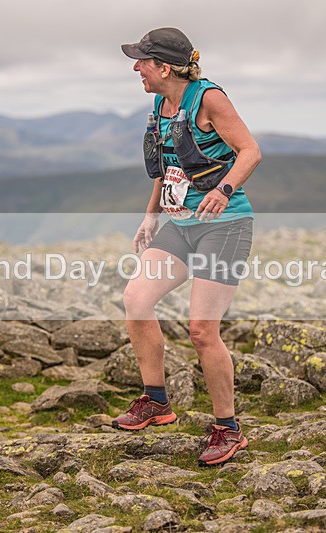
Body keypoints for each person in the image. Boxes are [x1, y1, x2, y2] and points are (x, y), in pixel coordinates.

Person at [112, 27, 261, 467]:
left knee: (201, 330)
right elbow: (167, 163)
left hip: (224, 225)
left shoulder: (209, 99)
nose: (136, 68)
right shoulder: (160, 103)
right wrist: (151, 213)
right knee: (136, 300)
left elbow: (250, 151)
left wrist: (225, 189)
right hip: (179, 224)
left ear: (165, 66)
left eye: (142, 61)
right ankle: (156, 401)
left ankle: (227, 428)